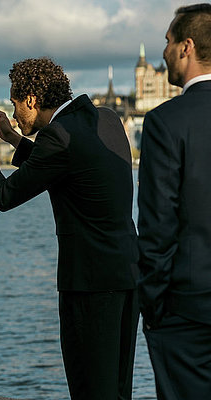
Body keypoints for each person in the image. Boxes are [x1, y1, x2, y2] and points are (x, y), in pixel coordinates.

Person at [0, 58, 139, 400]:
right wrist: (10, 135)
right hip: (126, 274)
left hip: (88, 283)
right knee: (117, 388)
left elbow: (5, 195)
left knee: (90, 389)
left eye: (14, 104)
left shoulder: (58, 137)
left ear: (31, 100)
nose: (14, 112)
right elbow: (64, 164)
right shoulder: (106, 119)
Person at [137, 4, 211, 399]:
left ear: (187, 47)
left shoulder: (166, 121)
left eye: (167, 41)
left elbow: (157, 226)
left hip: (186, 310)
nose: (163, 51)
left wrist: (152, 305)